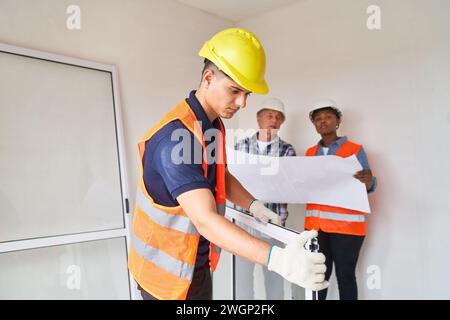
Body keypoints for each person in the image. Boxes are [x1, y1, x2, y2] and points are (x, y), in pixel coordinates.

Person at [127, 27, 328, 300]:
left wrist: (252, 204)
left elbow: (219, 175)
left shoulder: (211, 125)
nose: (242, 103)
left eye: (247, 94)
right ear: (208, 78)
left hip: (193, 263)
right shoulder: (177, 139)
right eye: (235, 91)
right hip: (165, 278)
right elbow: (206, 220)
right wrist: (278, 259)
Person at [304, 99, 378, 300]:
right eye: (318, 119)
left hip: (347, 228)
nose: (323, 121)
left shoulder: (354, 149)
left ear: (337, 122)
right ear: (314, 125)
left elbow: (368, 184)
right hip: (316, 228)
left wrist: (369, 180)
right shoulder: (310, 153)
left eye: (328, 117)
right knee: (318, 277)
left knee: (345, 276)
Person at [233, 98, 296, 299]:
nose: (274, 120)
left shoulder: (287, 150)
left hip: (274, 225)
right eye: (270, 115)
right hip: (243, 222)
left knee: (274, 280)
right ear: (259, 119)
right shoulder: (239, 147)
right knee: (241, 279)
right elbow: (232, 180)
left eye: (279, 118)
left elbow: (288, 185)